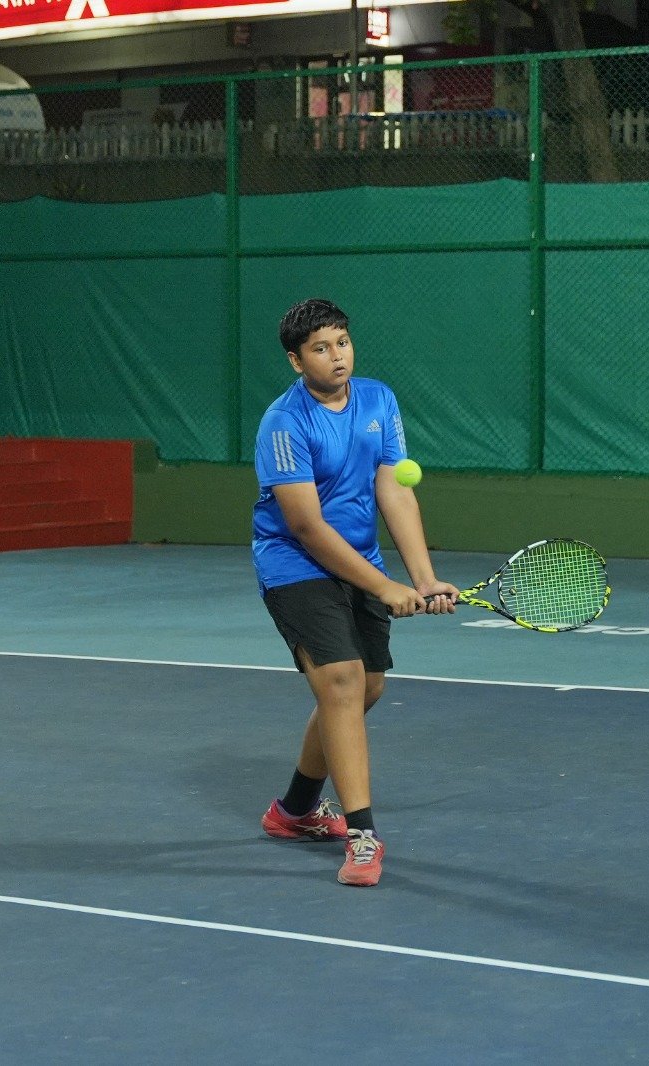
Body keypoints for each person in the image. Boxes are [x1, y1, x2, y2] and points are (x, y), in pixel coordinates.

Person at [252, 298, 458, 887]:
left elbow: (393, 489)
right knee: (341, 681)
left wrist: (422, 578)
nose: (336, 356)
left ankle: (294, 810)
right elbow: (306, 526)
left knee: (365, 687)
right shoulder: (283, 423)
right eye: (320, 348)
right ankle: (363, 835)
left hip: (361, 561)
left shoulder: (378, 400)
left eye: (341, 342)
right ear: (297, 361)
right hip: (294, 564)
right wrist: (385, 586)